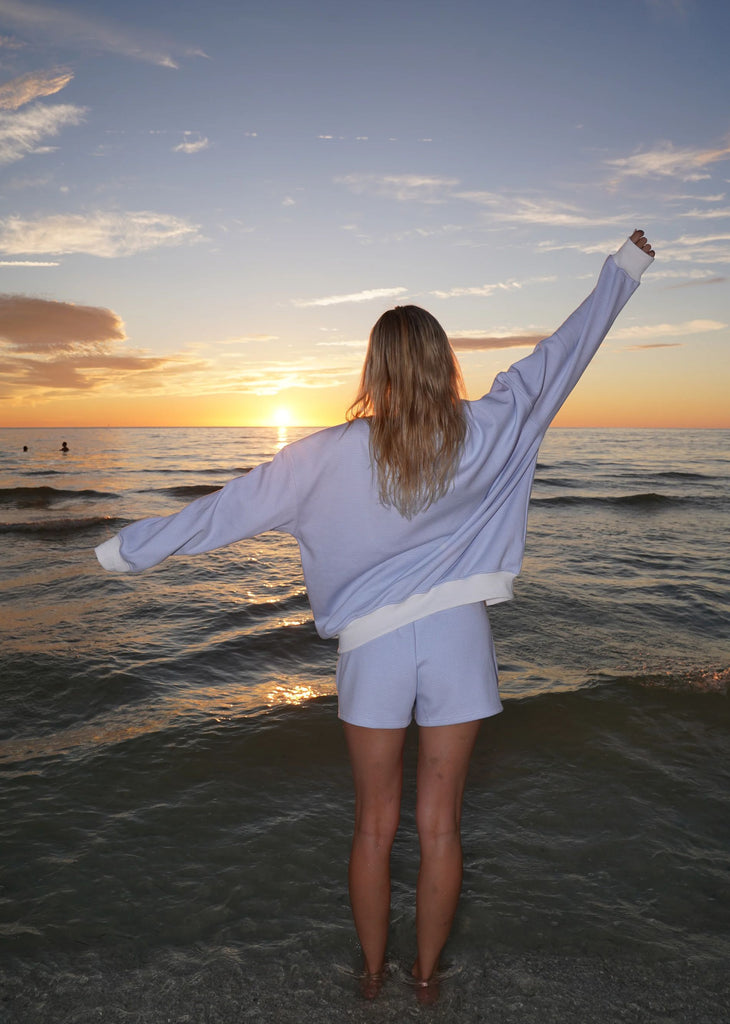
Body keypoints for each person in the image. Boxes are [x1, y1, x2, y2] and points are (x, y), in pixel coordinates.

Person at [95, 229, 655, 998]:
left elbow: (227, 511)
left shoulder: (324, 454)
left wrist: (127, 551)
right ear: (442, 361)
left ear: (374, 369)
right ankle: (427, 981)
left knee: (372, 825)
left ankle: (369, 978)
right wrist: (624, 269)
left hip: (372, 651)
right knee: (441, 828)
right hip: (459, 639)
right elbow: (568, 350)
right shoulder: (494, 424)